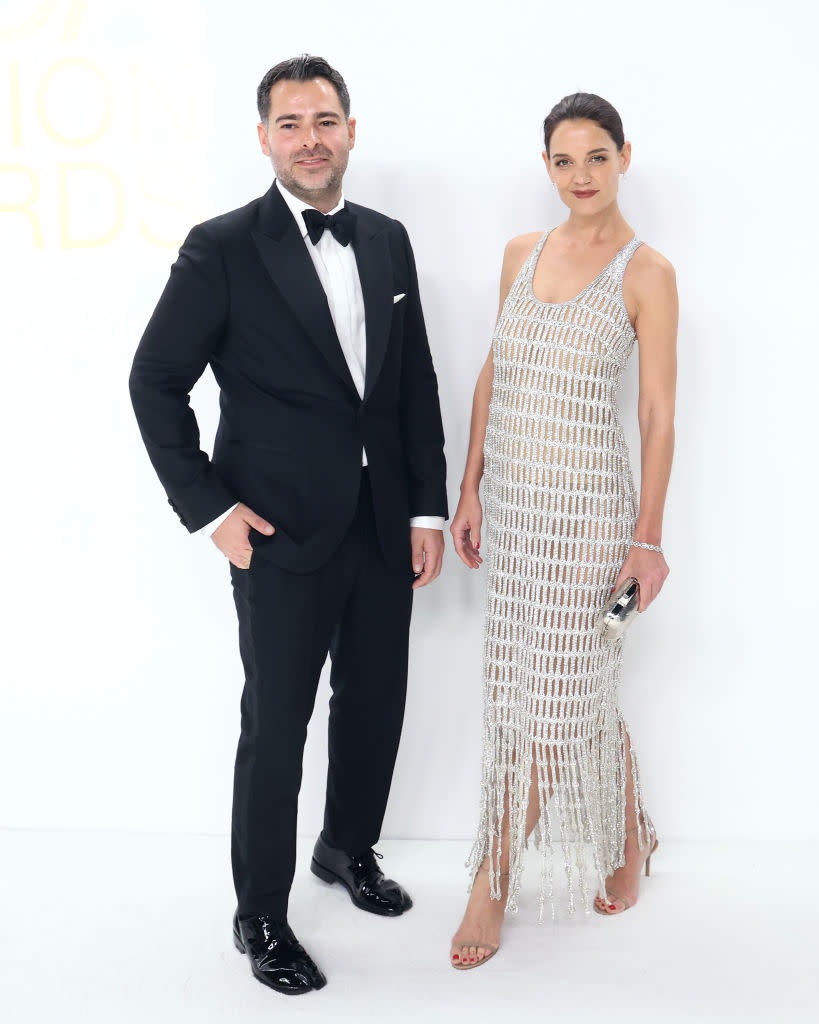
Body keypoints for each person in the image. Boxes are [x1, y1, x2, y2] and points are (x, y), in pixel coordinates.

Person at [129, 54, 447, 996]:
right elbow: (154, 383)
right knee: (277, 724)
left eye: (326, 120)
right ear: (264, 138)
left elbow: (411, 387)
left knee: (375, 703)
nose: (311, 139)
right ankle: (258, 913)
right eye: (291, 123)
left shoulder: (387, 240)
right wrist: (211, 511)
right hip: (274, 533)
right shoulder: (221, 246)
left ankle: (346, 849)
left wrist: (425, 505)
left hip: (384, 525)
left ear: (351, 130)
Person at [448, 93, 677, 969]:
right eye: (562, 161)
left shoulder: (645, 272)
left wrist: (646, 541)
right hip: (512, 515)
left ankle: (490, 880)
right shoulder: (521, 253)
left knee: (551, 700)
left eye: (595, 157)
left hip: (591, 521)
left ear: (624, 156)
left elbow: (656, 414)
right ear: (545, 166)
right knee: (568, 684)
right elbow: (493, 374)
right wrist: (465, 488)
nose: (580, 176)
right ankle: (633, 837)